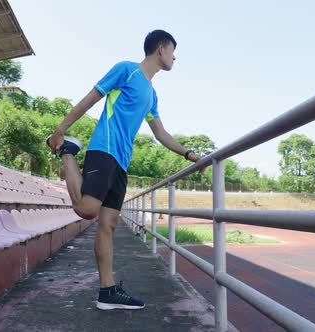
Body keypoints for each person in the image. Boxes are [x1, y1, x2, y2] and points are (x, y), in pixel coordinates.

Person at [47, 29, 204, 310]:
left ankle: (107, 292)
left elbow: (160, 132)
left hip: (121, 161)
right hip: (104, 148)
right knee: (87, 210)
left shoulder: (152, 94)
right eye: (172, 51)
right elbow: (91, 97)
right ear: (160, 48)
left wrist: (189, 154)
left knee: (108, 224)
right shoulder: (127, 70)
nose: (174, 57)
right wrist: (61, 131)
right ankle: (68, 153)